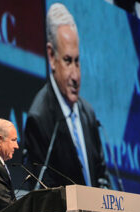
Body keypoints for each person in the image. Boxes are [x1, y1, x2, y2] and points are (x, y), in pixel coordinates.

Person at [24, 3, 110, 188]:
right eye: (68, 61)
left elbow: (102, 176)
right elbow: (42, 196)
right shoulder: (39, 119)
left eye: (77, 62)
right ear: (51, 57)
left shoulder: (87, 113)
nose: (76, 76)